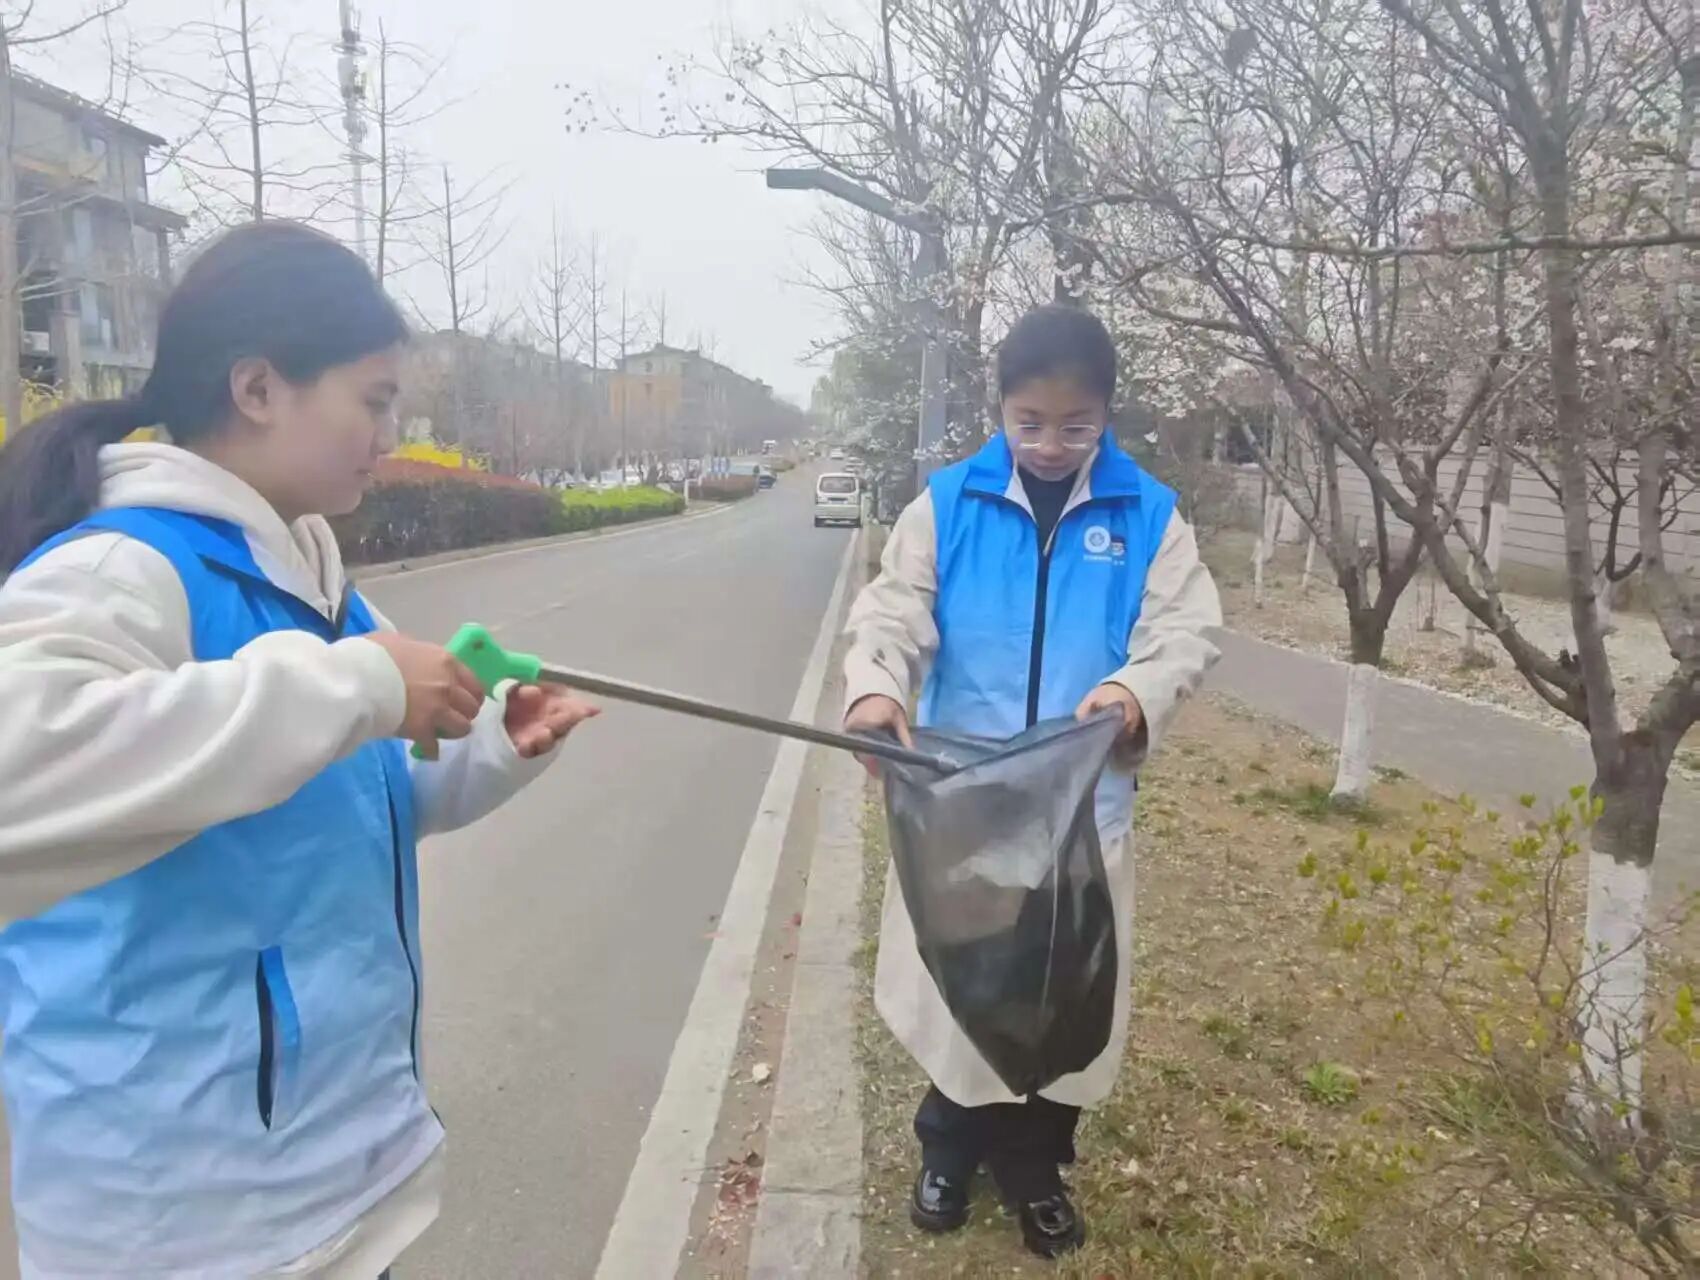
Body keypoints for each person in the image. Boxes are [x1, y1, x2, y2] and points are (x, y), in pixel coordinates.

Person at [0, 221, 597, 1278]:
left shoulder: (312, 579)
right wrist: (360, 685)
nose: (389, 434)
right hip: (179, 1223)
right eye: (374, 400)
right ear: (259, 387)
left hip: (325, 1184)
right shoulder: (118, 569)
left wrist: (487, 752)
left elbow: (343, 804)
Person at [842, 304, 1222, 1259]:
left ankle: (1035, 1166)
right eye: (1030, 423)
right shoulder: (947, 505)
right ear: (1001, 409)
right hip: (966, 811)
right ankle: (947, 1149)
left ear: (1108, 414)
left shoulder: (1150, 517)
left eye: (1076, 426)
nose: (1051, 445)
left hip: (1082, 817)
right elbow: (892, 612)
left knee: (1063, 1002)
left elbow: (1183, 632)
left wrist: (1134, 692)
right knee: (966, 994)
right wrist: (875, 688)